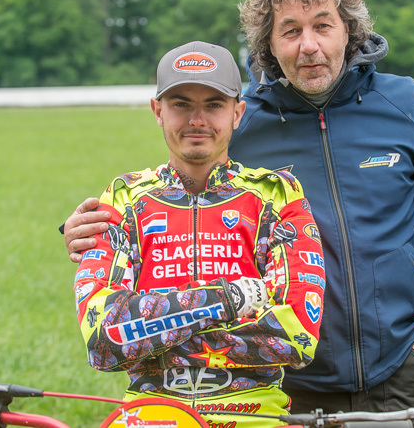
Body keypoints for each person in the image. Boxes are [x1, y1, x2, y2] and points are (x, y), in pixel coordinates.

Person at [65, 0, 414, 426]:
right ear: (270, 45)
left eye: (323, 25)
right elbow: (176, 203)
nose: (310, 46)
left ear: (350, 30)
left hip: (397, 375)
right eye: (291, 30)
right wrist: (85, 232)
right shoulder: (242, 123)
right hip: (281, 386)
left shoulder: (404, 105)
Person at [72, 40, 325, 427]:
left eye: (213, 105)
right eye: (181, 104)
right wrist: (229, 298)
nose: (197, 120)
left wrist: (151, 333)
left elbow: (295, 335)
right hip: (151, 415)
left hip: (255, 415)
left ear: (237, 113)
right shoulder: (125, 198)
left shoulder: (276, 194)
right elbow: (103, 342)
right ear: (157, 111)